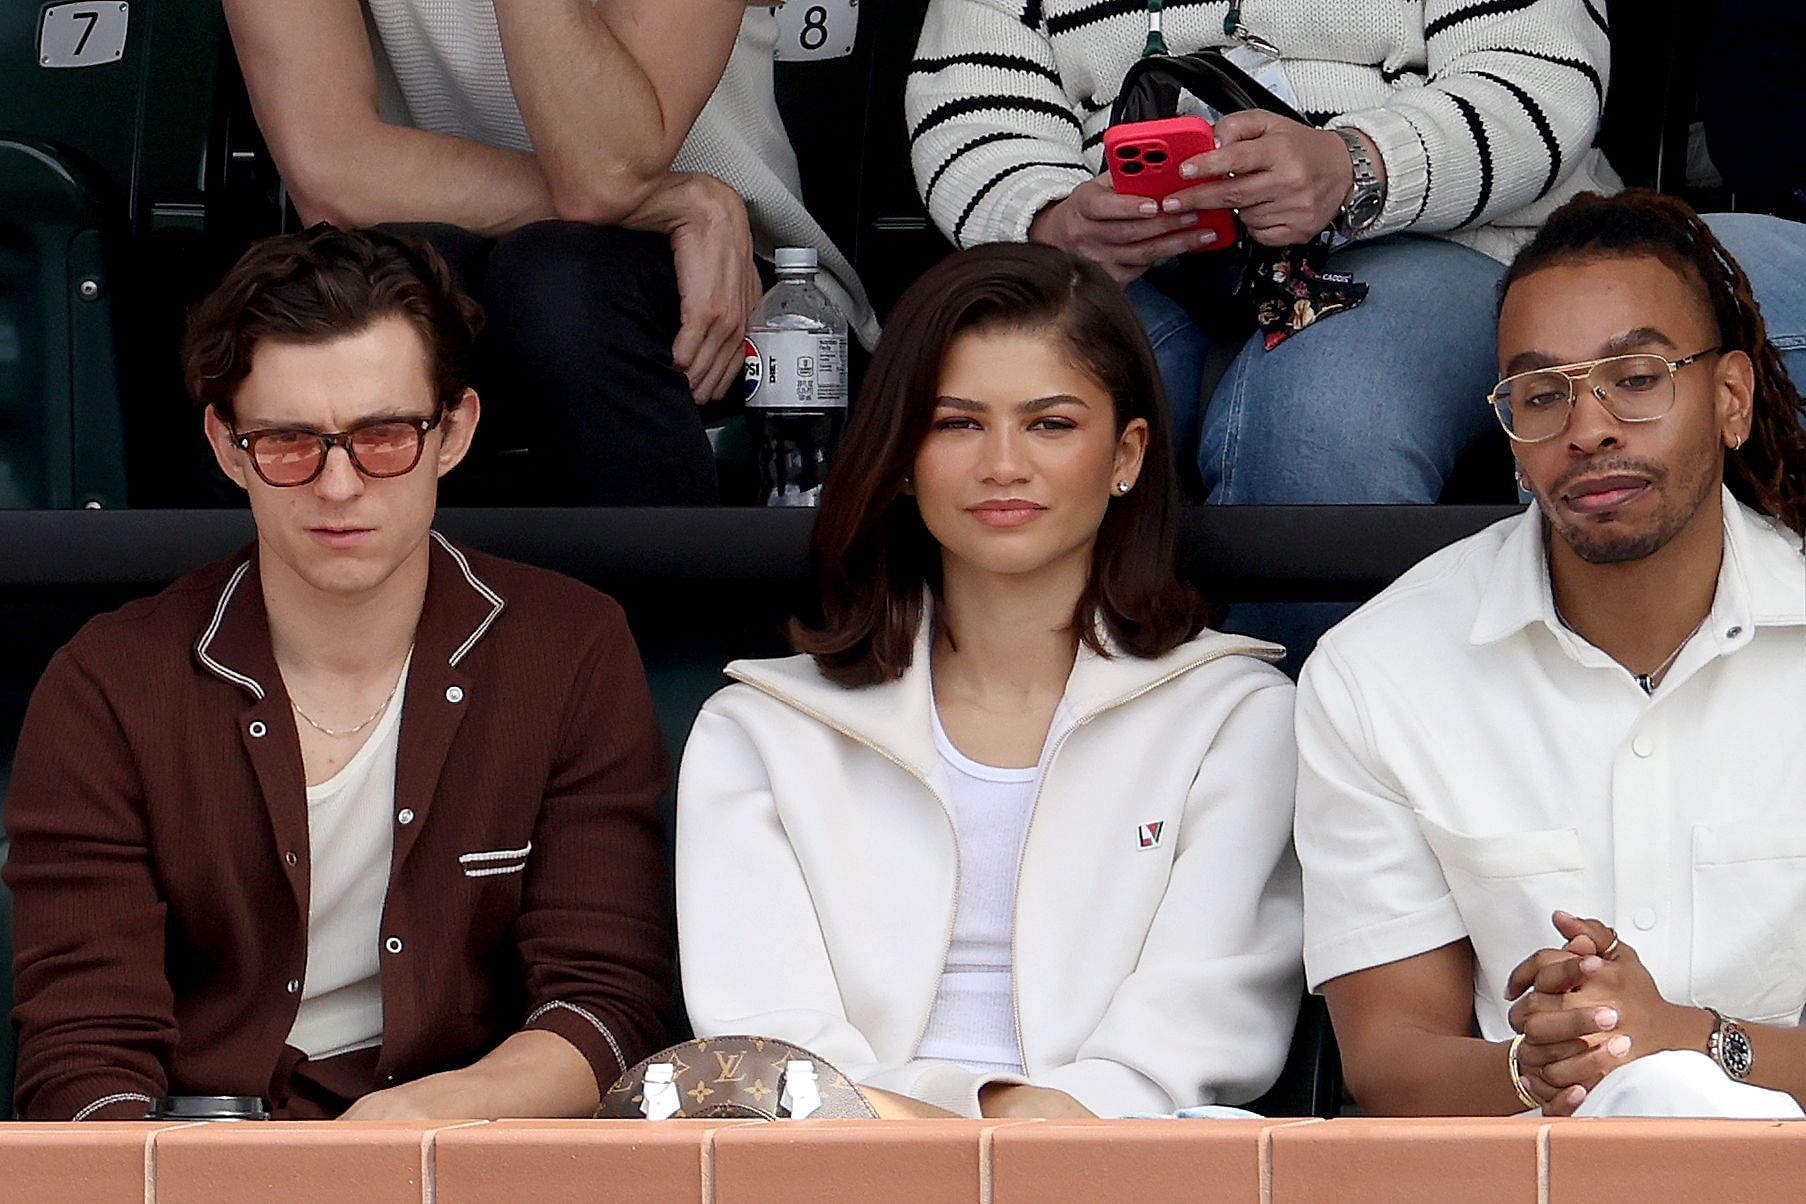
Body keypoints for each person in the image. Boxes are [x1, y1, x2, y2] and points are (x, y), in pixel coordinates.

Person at [3, 226, 672, 1121]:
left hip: (471, 1154)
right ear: (227, 446)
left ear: (455, 432)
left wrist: (421, 1124)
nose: (340, 485)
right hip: (201, 1167)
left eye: (384, 435)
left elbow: (606, 1000)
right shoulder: (109, 685)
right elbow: (83, 1058)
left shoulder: (568, 647)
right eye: (288, 442)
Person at [675, 242, 1302, 1119]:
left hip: (1123, 1163)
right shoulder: (762, 729)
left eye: (1050, 423)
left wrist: (1018, 1129)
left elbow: (1196, 1035)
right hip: (844, 1171)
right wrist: (952, 1126)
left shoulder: (1235, 718)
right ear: (901, 455)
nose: (1003, 463)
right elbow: (774, 1049)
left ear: (1126, 454)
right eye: (957, 423)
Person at [1294, 190, 1806, 1119]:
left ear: (1731, 398)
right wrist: (1536, 1068)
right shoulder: (1379, 670)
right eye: (1541, 394)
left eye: (1638, 377)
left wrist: (1686, 1040)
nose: (1589, 428)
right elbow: (1391, 1057)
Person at [225, 0, 877, 505]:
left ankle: (678, 658)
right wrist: (682, 204)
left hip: (739, 292)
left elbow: (607, 170)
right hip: (459, 265)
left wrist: (670, 206)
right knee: (390, 307)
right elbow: (332, 169)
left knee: (561, 288)